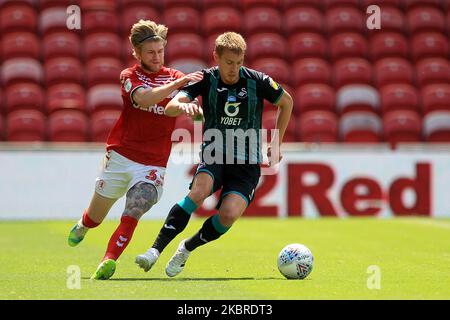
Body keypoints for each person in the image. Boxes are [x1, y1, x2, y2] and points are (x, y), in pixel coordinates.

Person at [135, 31, 293, 277]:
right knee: (197, 193)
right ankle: (154, 251)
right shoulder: (205, 79)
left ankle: (187, 247)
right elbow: (170, 108)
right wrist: (183, 105)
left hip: (247, 163)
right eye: (229, 63)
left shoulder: (257, 80)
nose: (234, 69)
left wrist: (277, 143)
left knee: (228, 216)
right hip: (214, 154)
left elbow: (287, 102)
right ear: (216, 57)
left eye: (239, 63)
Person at [67, 20, 202, 280]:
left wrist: (192, 111)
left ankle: (108, 261)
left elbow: (180, 105)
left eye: (160, 51)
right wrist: (178, 85)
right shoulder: (129, 77)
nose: (157, 56)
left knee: (135, 209)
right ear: (137, 53)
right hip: (121, 155)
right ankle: (84, 225)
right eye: (151, 52)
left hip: (153, 162)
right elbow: (144, 99)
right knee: (96, 217)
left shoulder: (174, 76)